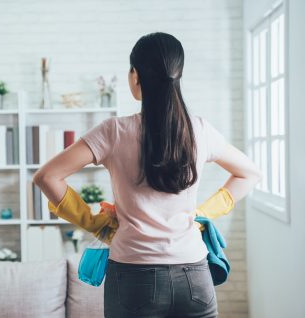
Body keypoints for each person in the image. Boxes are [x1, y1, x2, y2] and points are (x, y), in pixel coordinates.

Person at [34, 32, 262, 318]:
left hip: (133, 275)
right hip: (194, 275)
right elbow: (249, 174)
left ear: (135, 76)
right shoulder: (200, 129)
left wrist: (93, 223)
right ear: (177, 76)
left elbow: (47, 176)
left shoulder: (113, 132)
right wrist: (202, 213)